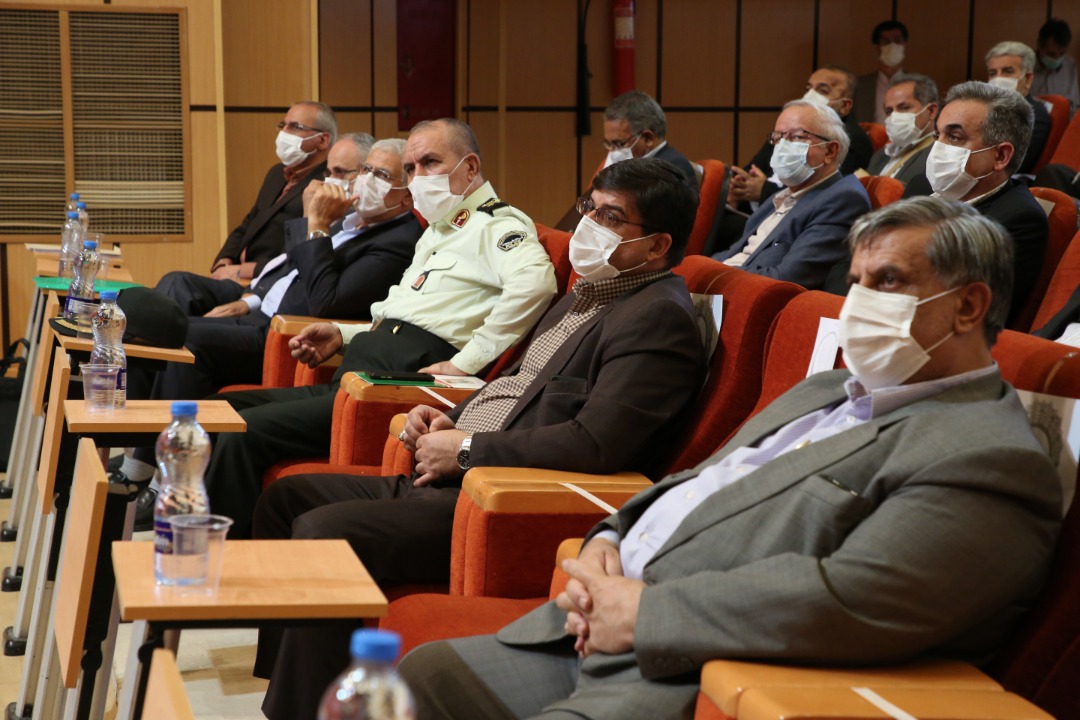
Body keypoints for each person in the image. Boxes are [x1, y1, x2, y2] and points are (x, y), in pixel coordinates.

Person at [397, 196, 1063, 720]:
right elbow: (696, 481)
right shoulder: (826, 390)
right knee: (417, 676)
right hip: (592, 624)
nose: (859, 303)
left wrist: (644, 614)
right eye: (856, 281)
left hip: (692, 676)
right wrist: (609, 539)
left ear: (968, 306)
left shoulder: (988, 454)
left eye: (887, 281)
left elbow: (858, 600)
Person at [253, 157, 709, 720]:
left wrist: (468, 451)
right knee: (286, 499)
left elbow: (596, 444)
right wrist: (452, 418)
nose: (588, 224)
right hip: (462, 468)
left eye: (611, 218)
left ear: (657, 245)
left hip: (502, 498)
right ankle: (288, 689)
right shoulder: (589, 292)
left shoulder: (656, 318)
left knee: (325, 531)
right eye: (589, 208)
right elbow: (517, 385)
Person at [200, 118, 557, 537]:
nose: (418, 177)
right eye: (411, 169)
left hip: (395, 383)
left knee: (241, 432)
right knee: (217, 411)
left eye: (430, 163)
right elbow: (404, 314)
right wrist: (343, 334)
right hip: (356, 371)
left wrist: (465, 362)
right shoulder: (439, 230)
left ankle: (224, 557)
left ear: (471, 168)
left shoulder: (497, 224)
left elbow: (535, 285)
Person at [113, 139, 422, 511]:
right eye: (367, 170)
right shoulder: (349, 218)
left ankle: (161, 480)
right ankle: (141, 455)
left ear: (407, 196)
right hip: (262, 307)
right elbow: (287, 266)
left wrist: (316, 223)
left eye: (380, 174)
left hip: (285, 331)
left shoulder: (398, 240)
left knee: (187, 339)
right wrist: (249, 299)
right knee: (162, 318)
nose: (366, 180)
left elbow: (326, 301)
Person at [154, 132, 371, 316]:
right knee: (177, 282)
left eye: (339, 172)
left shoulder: (350, 221)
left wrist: (312, 219)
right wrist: (226, 262)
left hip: (278, 309)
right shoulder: (279, 176)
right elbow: (251, 225)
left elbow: (306, 276)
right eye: (329, 172)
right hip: (259, 288)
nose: (329, 180)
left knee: (187, 332)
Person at [906, 81, 1048, 326]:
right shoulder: (920, 186)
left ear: (1001, 156)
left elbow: (971, 313)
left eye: (954, 137)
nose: (937, 148)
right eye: (937, 135)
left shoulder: (1019, 219)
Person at [712, 99, 871, 290]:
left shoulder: (843, 199)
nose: (782, 147)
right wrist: (700, 271)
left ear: (830, 151)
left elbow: (788, 279)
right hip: (727, 285)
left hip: (752, 296)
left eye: (796, 137)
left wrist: (717, 277)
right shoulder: (782, 195)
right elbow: (735, 252)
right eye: (778, 138)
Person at [209, 101, 339, 283]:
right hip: (233, 273)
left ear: (322, 140)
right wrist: (224, 260)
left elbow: (302, 248)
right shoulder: (276, 173)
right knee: (180, 283)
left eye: (295, 127)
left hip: (268, 280)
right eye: (282, 125)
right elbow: (250, 221)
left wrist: (243, 271)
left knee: (178, 281)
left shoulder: (326, 185)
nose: (283, 133)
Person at [730, 66, 874, 210]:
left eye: (822, 91)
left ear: (845, 106)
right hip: (753, 208)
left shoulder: (852, 139)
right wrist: (738, 185)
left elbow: (822, 191)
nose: (811, 95)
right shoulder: (787, 128)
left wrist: (763, 191)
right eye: (808, 88)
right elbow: (751, 169)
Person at [554, 91, 696, 230]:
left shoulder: (671, 171)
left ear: (648, 138)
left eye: (619, 144)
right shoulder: (638, 166)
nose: (612, 151)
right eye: (608, 144)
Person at [985, 41, 1052, 177]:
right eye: (993, 73)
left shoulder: (1034, 115)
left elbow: (1012, 165)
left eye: (1007, 71)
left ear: (1028, 79)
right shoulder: (987, 109)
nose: (998, 78)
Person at [863, 72, 939, 186]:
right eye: (889, 111)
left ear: (931, 111)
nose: (894, 116)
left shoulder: (938, 156)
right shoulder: (880, 156)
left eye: (904, 108)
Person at [854, 19, 909, 123]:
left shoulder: (919, 85)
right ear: (877, 47)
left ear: (905, 44)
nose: (892, 45)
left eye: (897, 40)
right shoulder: (859, 85)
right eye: (886, 41)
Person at [1032, 18, 1079, 112]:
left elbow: (1074, 104)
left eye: (1062, 54)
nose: (1057, 59)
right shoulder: (1025, 66)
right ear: (1039, 45)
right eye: (1051, 54)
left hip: (1062, 119)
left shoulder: (1069, 65)